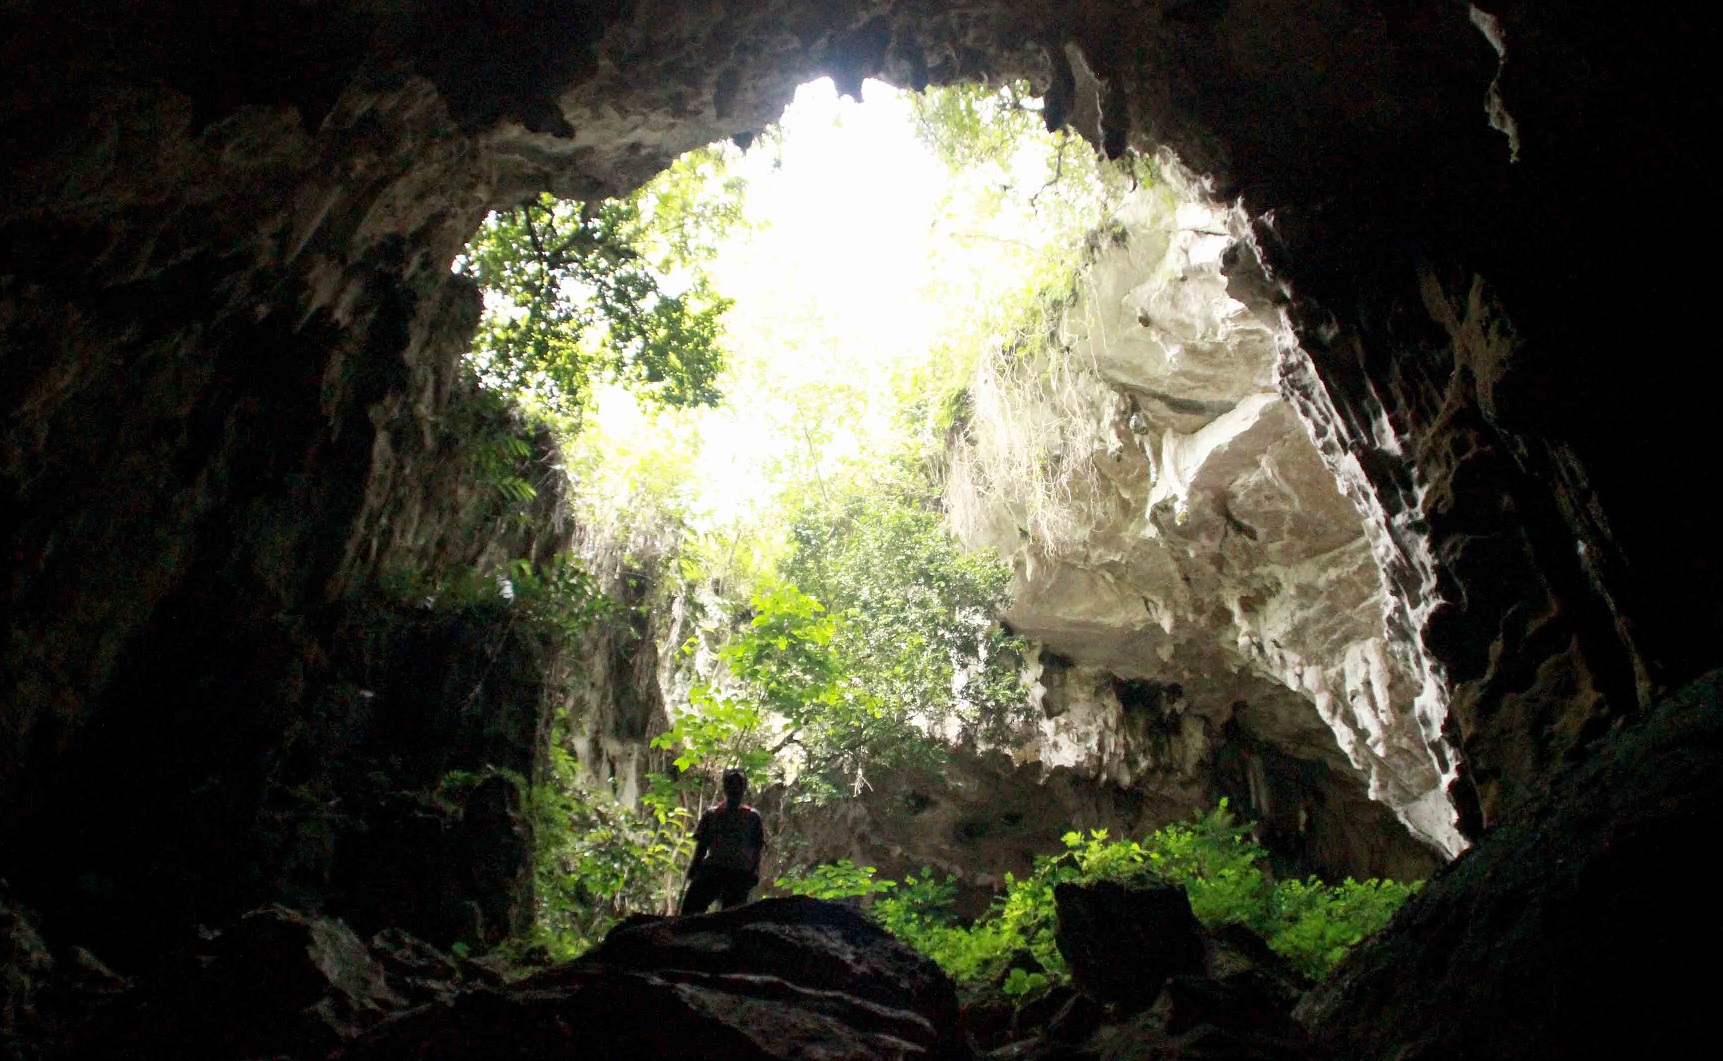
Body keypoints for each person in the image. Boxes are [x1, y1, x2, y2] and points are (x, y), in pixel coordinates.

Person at [679, 768, 765, 915]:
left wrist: (755, 871)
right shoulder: (712, 815)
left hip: (739, 873)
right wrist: (694, 868)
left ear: (744, 788)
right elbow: (702, 846)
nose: (735, 788)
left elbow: (756, 847)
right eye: (731, 784)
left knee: (732, 916)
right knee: (690, 908)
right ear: (725, 787)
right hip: (714, 869)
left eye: (739, 785)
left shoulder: (752, 817)